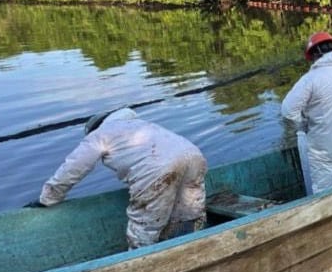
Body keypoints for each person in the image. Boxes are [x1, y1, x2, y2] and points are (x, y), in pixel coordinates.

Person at [26, 107, 207, 250]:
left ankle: (141, 266)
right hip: (193, 156)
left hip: (156, 169)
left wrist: (48, 198)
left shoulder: (99, 135)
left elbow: (74, 168)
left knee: (144, 227)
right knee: (190, 212)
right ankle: (195, 246)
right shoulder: (140, 125)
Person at [282, 32, 332, 194]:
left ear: (315, 55)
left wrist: (303, 126)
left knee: (324, 192)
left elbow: (287, 111)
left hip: (324, 148)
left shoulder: (311, 79)